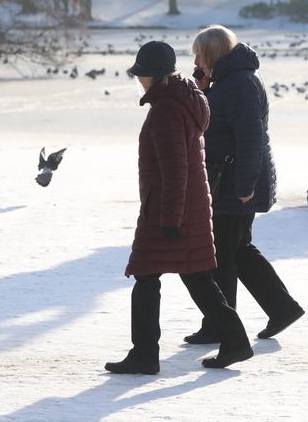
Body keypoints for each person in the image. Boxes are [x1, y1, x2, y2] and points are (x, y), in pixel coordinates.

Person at [105, 40, 254, 374]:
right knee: (195, 275)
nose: (139, 80)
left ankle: (145, 354)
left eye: (142, 74)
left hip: (169, 210)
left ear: (156, 76)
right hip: (189, 206)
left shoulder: (167, 110)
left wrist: (170, 220)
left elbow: (175, 169)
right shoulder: (184, 98)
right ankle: (234, 341)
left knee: (147, 275)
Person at [183, 25, 305, 346]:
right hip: (230, 178)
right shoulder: (227, 80)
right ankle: (281, 308)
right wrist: (203, 88)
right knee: (237, 249)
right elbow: (216, 121)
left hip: (235, 181)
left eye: (198, 53)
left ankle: (221, 326)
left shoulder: (239, 83)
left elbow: (250, 138)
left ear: (211, 53)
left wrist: (245, 185)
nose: (195, 59)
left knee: (221, 253)